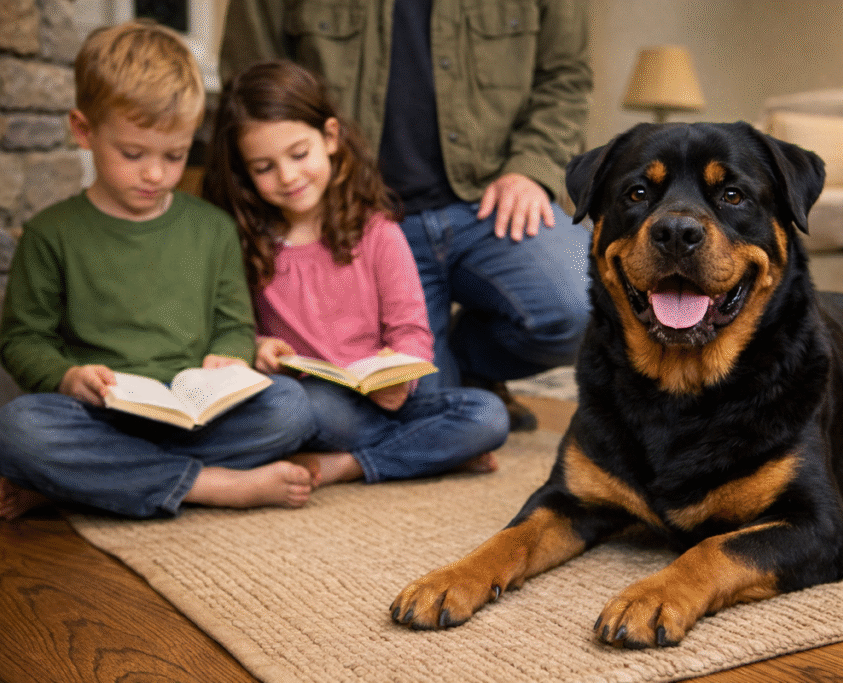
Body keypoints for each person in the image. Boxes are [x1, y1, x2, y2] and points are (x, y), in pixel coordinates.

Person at [219, 0, 593, 431]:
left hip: (491, 198)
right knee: (414, 412)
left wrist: (532, 169)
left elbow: (566, 77)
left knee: (588, 300)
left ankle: (467, 359)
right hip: (364, 211)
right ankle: (449, 371)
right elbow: (250, 83)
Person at [0, 21, 318, 521]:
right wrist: (67, 377)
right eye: (133, 154)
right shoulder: (51, 233)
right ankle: (208, 485)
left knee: (293, 407)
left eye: (175, 155)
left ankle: (89, 483)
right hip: (101, 416)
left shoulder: (211, 228)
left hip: (199, 415)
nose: (155, 174)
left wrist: (227, 357)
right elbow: (22, 340)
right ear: (83, 130)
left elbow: (234, 324)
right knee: (19, 428)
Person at [202, 60, 509, 487]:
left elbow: (412, 333)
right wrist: (259, 347)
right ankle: (428, 453)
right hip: (310, 399)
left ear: (329, 137)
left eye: (298, 154)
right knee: (295, 405)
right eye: (263, 168)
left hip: (382, 401)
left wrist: (401, 374)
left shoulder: (378, 232)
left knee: (486, 415)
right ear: (244, 172)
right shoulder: (246, 242)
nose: (288, 176)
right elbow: (232, 328)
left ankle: (349, 464)